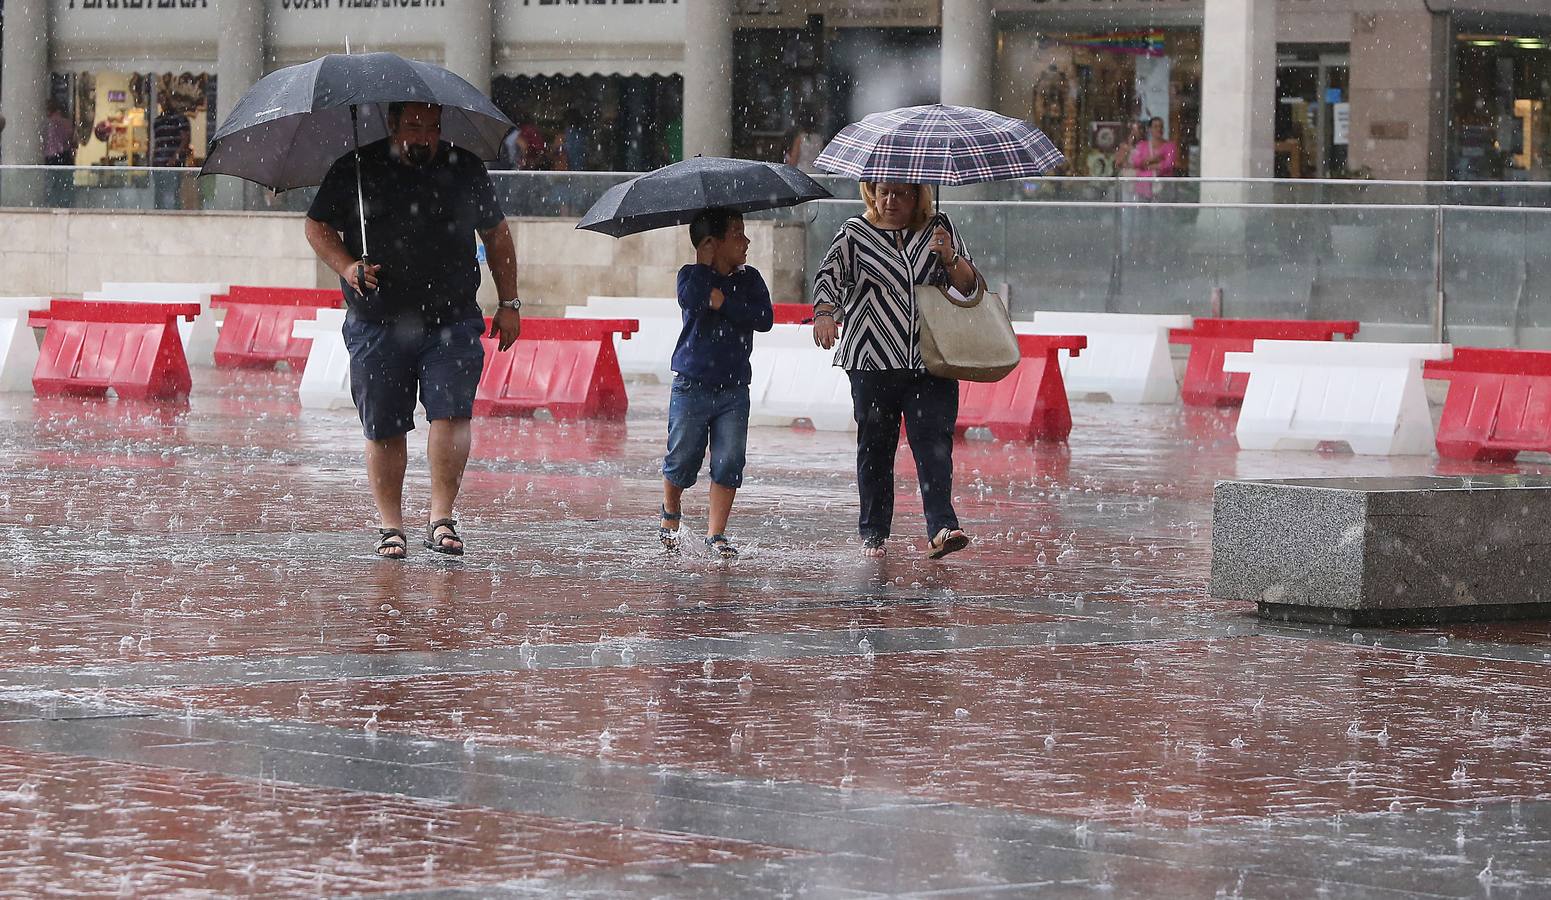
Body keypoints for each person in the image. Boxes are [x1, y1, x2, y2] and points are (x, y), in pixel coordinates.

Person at [304, 101, 522, 560]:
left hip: (452, 317)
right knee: (384, 424)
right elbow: (316, 225)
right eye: (414, 127)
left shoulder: (464, 168)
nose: (424, 137)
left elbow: (497, 235)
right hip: (376, 320)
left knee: (452, 414)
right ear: (392, 123)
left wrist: (509, 302)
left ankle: (442, 516)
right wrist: (346, 266)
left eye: (433, 128)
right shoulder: (356, 168)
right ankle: (391, 526)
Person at [811, 182, 978, 560]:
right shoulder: (854, 233)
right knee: (876, 448)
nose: (889, 201)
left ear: (918, 195)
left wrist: (949, 255)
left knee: (934, 443)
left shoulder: (940, 227)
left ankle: (942, 527)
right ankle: (873, 532)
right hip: (872, 362)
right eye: (882, 192)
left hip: (930, 360)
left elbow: (969, 286)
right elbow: (828, 279)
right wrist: (824, 314)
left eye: (900, 193)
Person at [658, 208, 773, 560]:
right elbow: (691, 301)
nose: (746, 240)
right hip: (692, 385)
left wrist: (724, 303)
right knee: (682, 458)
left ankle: (716, 533)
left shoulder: (749, 279)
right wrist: (704, 267)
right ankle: (670, 510)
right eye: (737, 233)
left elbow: (764, 318)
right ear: (712, 242)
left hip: (734, 389)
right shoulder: (691, 276)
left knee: (729, 460)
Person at [150, 98, 191, 210]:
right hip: (159, 163)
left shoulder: (180, 119)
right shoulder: (158, 121)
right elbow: (157, 142)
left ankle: (173, 217)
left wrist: (175, 157)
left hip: (173, 164)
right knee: (160, 193)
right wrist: (154, 161)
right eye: (162, 99)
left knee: (173, 193)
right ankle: (160, 216)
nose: (164, 102)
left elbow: (185, 139)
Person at [1128, 116, 1177, 201]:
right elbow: (1136, 162)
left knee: (1162, 213)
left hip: (1163, 190)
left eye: (1161, 126)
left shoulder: (1170, 146)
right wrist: (1154, 160)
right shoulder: (1142, 145)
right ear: (1150, 129)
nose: (1159, 129)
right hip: (1143, 190)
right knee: (1143, 213)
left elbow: (1168, 165)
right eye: (1156, 126)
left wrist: (1147, 166)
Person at [42, 100, 76, 208]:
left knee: (52, 181)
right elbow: (72, 139)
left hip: (51, 156)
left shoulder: (49, 123)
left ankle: (52, 203)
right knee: (64, 182)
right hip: (64, 155)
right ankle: (64, 203)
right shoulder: (66, 123)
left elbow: (45, 140)